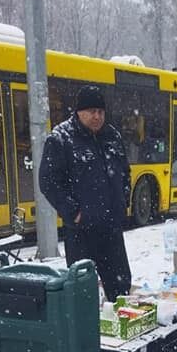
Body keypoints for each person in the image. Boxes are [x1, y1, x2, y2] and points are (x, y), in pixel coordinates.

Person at [39, 85, 131, 301]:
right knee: (82, 292)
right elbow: (48, 182)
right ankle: (87, 333)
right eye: (91, 111)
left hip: (112, 228)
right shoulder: (61, 139)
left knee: (121, 286)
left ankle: (120, 328)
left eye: (100, 111)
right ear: (79, 112)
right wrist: (73, 212)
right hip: (82, 232)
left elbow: (125, 172)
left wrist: (123, 199)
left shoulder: (112, 136)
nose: (97, 116)